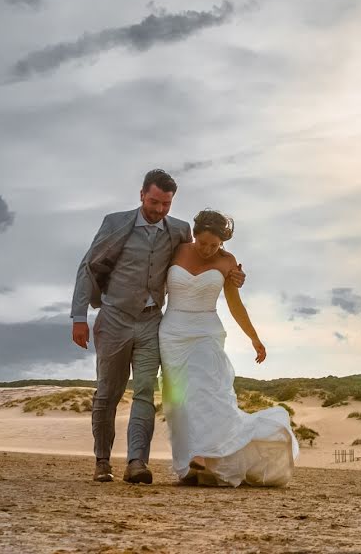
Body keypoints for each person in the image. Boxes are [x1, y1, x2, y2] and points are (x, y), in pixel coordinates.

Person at [70, 170, 245, 483]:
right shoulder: (115, 222)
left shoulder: (179, 231)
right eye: (154, 201)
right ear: (141, 195)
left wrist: (232, 275)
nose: (160, 209)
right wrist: (79, 317)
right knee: (107, 393)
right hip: (114, 319)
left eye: (166, 203)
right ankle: (102, 461)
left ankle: (137, 463)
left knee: (145, 392)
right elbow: (88, 266)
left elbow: (202, 258)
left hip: (152, 322)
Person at [159, 209, 298, 486]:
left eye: (215, 245)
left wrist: (254, 337)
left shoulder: (227, 262)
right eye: (204, 243)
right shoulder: (175, 250)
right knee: (179, 402)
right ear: (194, 235)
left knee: (206, 391)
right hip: (172, 333)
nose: (209, 250)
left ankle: (202, 458)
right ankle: (188, 466)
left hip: (206, 334)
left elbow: (235, 305)